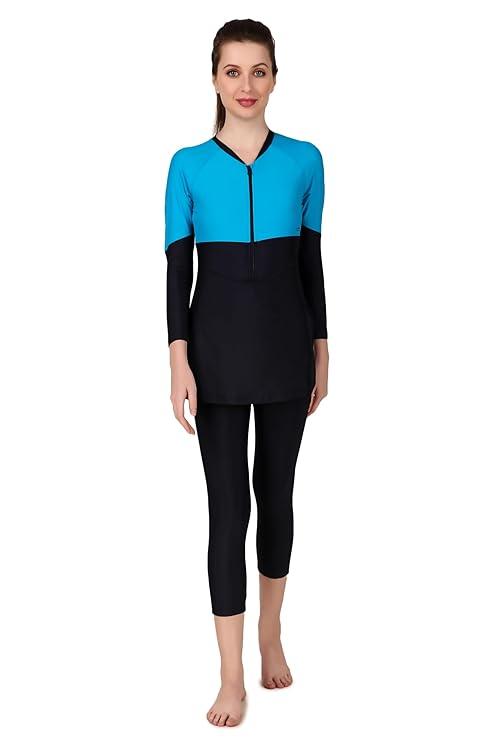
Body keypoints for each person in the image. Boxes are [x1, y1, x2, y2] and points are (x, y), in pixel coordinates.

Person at [163, 19, 329, 727]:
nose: (246, 85)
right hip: (217, 355)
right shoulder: (188, 165)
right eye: (233, 71)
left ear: (275, 78)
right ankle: (231, 673)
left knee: (277, 497)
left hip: (287, 349)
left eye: (258, 70)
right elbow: (178, 271)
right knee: (228, 511)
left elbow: (311, 262)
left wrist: (323, 346)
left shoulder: (305, 160)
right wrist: (178, 359)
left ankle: (270, 631)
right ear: (214, 79)